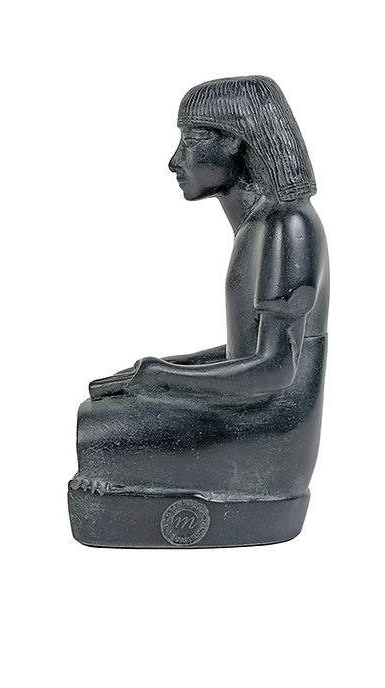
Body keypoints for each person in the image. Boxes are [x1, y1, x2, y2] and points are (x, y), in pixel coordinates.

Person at [73, 76, 329, 505]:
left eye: (192, 141)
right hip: (256, 410)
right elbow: (244, 352)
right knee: (101, 410)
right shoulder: (259, 225)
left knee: (97, 431)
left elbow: (276, 370)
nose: (175, 161)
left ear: (234, 142)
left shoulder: (288, 225)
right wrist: (164, 369)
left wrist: (164, 377)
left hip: (274, 431)